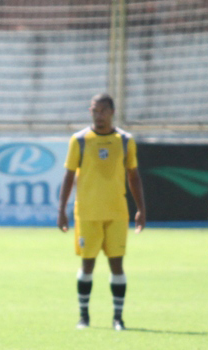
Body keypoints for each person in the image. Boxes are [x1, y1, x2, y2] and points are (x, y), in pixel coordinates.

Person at [57, 93, 146, 330]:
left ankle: (118, 318)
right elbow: (68, 176)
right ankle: (83, 317)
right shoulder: (80, 140)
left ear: (112, 112)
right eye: (95, 111)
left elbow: (133, 176)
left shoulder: (125, 140)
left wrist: (141, 209)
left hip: (117, 212)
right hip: (86, 213)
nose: (99, 115)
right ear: (91, 112)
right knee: (87, 265)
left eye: (103, 110)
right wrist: (62, 209)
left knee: (117, 264)